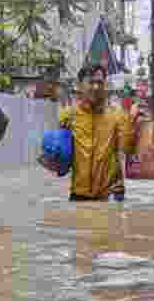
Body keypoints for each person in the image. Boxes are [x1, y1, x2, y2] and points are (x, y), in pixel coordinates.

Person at [54, 64, 141, 202]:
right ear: (80, 85)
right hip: (79, 193)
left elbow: (128, 150)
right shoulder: (69, 116)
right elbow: (60, 164)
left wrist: (132, 122)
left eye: (100, 82)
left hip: (111, 194)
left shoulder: (117, 115)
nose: (96, 87)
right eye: (91, 82)